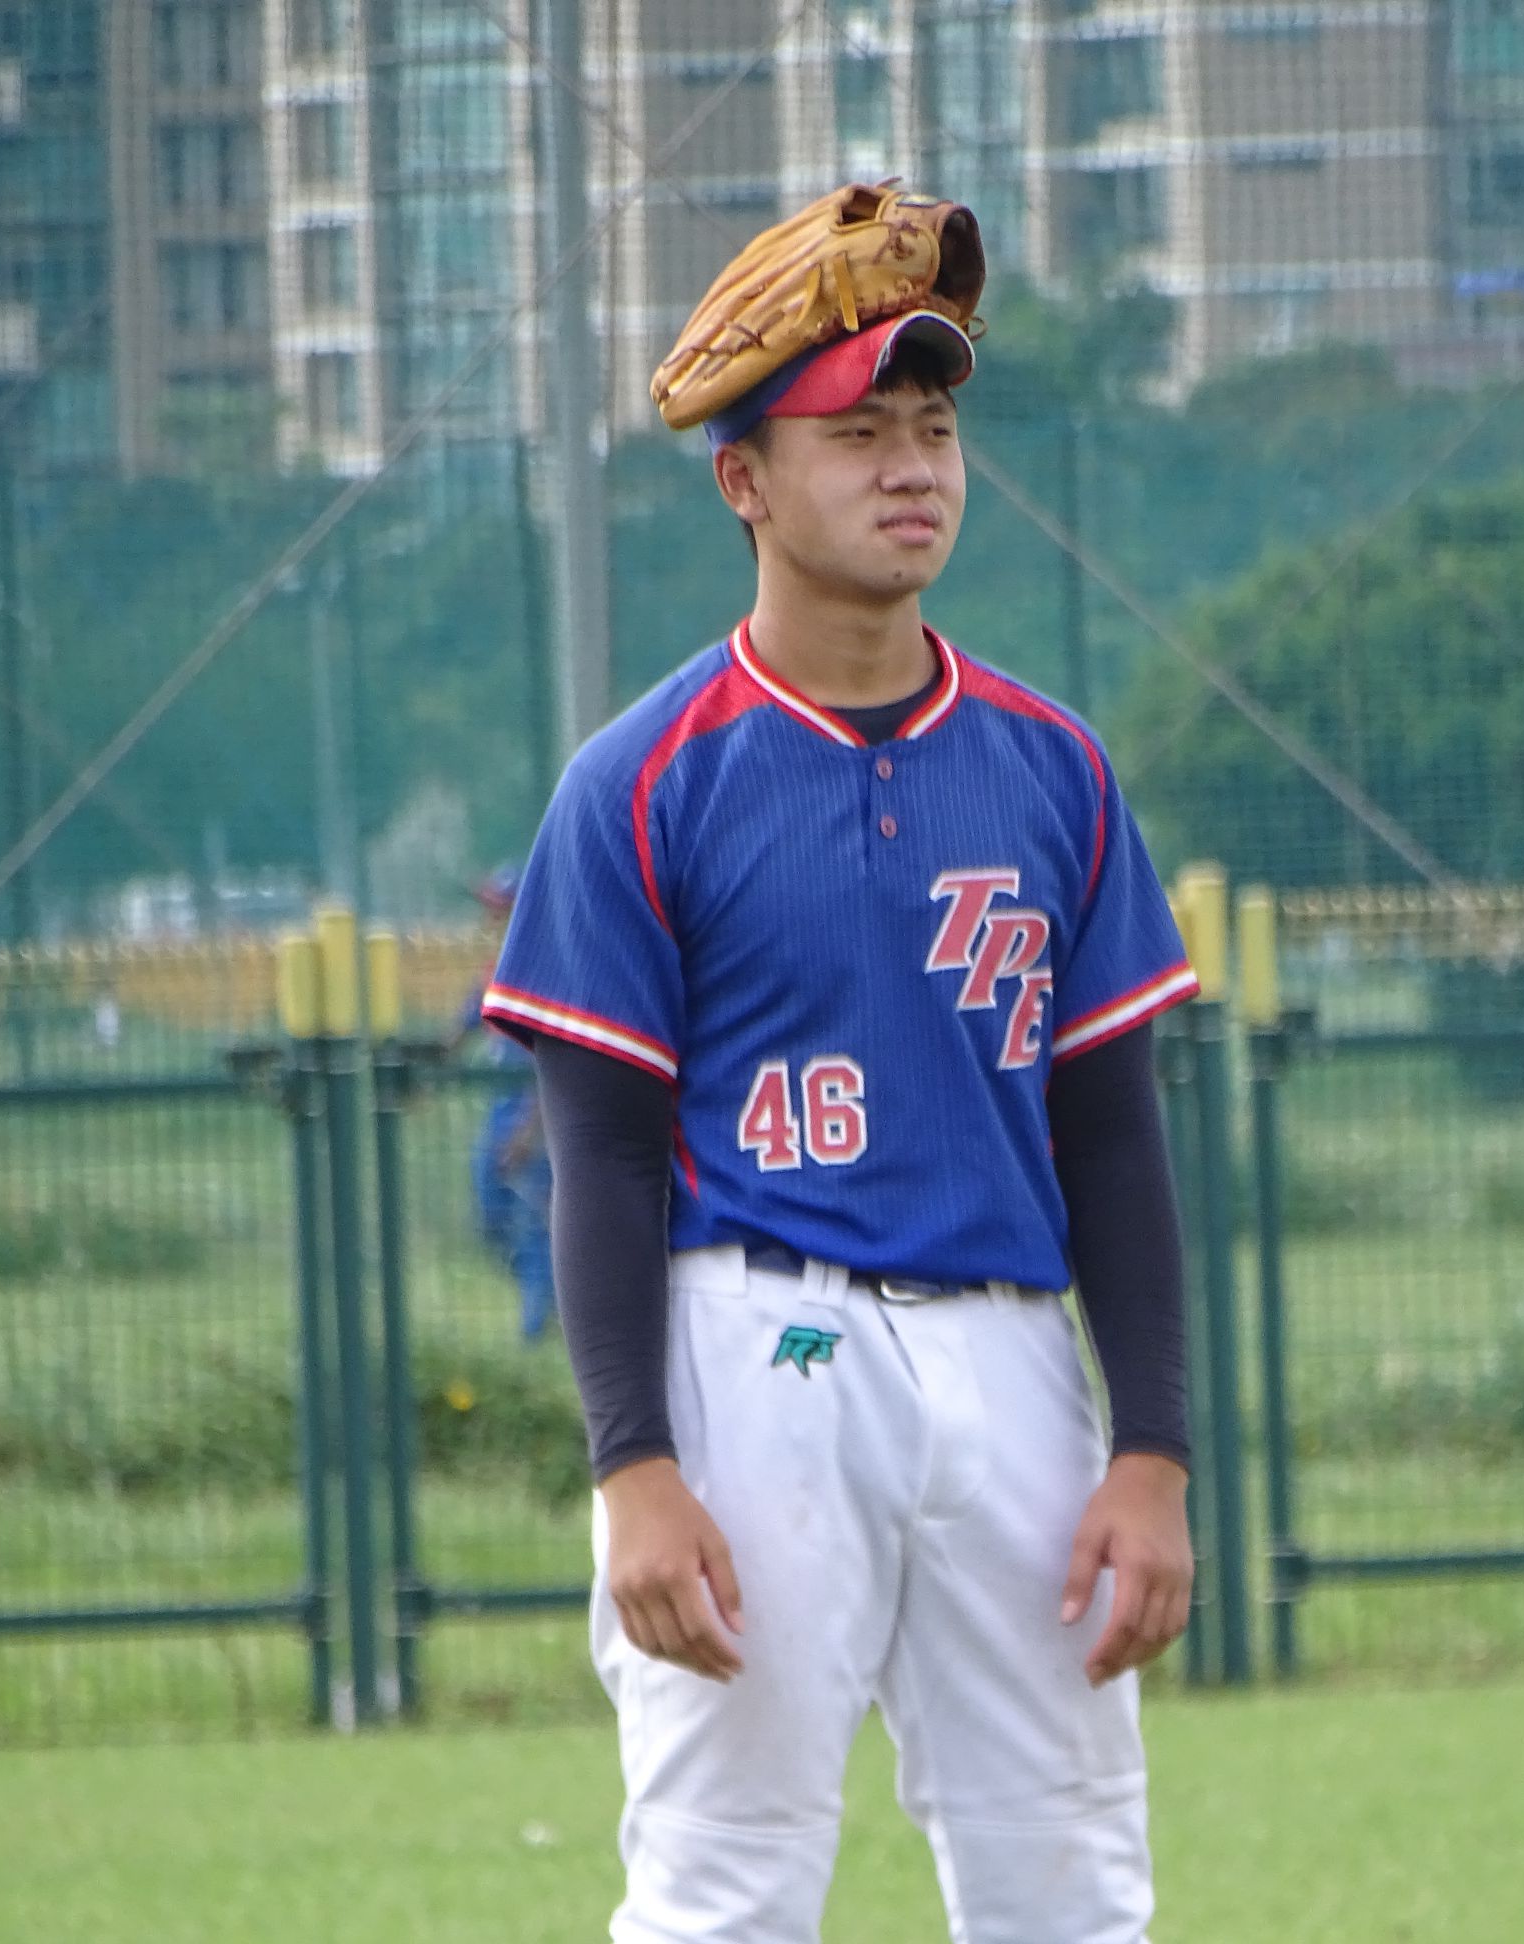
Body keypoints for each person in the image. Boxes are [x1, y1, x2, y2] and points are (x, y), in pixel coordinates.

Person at [482, 187, 1197, 1941]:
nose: (911, 468)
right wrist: (634, 1466)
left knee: (1073, 1886)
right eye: (857, 432)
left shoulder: (1052, 765)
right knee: (723, 1886)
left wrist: (1153, 1449)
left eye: (933, 427)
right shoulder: (644, 779)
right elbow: (602, 1156)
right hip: (756, 1347)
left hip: (1015, 1360)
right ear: (744, 479)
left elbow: (1113, 1140)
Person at [455, 865, 556, 1342]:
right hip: (502, 1107)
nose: (491, 921)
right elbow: (462, 1027)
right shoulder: (494, 971)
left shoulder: (545, 974)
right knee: (490, 1211)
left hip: (534, 1111)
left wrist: (528, 1131)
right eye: (491, 910)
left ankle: (539, 1326)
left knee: (533, 1217)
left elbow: (552, 1065)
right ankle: (551, 1299)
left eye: (501, 911)